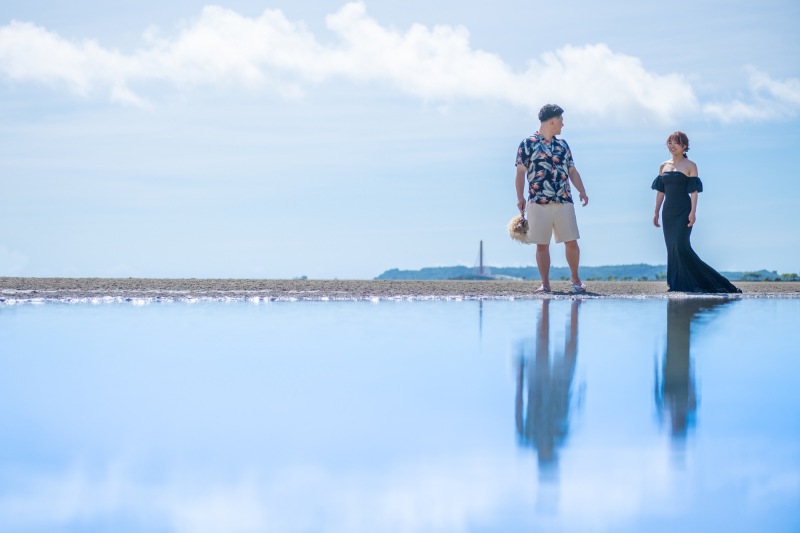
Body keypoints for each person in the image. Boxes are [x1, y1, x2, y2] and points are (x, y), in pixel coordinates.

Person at [651, 132, 741, 293]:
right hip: (668, 213)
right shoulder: (663, 166)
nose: (671, 146)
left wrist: (693, 212)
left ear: (684, 146)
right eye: (669, 143)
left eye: (675, 143)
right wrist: (656, 212)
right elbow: (660, 192)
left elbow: (694, 192)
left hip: (684, 210)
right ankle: (675, 283)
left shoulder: (690, 165)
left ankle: (708, 281)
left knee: (681, 245)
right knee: (671, 247)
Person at [515, 104, 589, 294]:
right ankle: (545, 283)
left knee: (571, 241)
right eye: (561, 121)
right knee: (542, 244)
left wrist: (582, 190)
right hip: (538, 201)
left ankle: (575, 279)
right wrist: (520, 198)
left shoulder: (563, 145)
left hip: (564, 199)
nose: (563, 124)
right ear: (552, 121)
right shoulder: (527, 143)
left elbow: (572, 170)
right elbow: (520, 173)